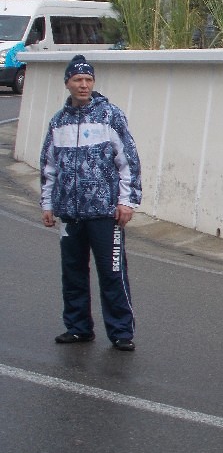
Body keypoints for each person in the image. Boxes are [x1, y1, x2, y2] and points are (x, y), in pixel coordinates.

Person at [40, 54, 142, 352]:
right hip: (70, 214)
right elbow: (49, 167)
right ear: (67, 83)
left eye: (88, 80)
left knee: (112, 273)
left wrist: (127, 202)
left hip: (104, 212)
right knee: (72, 271)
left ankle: (121, 331)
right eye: (77, 80)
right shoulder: (58, 122)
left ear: (93, 82)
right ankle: (78, 327)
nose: (83, 85)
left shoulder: (110, 115)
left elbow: (129, 162)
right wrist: (48, 205)